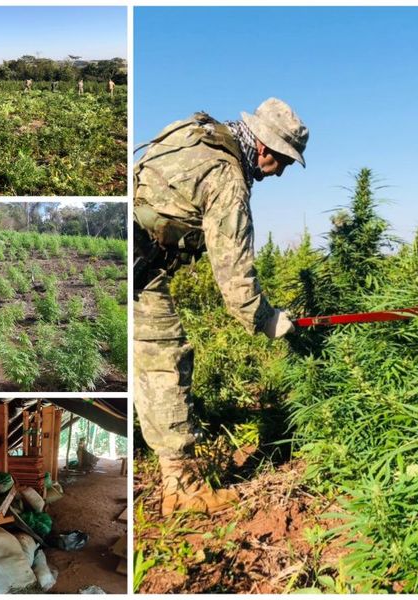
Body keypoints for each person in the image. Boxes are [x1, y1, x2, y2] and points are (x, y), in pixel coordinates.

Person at [133, 97, 309, 516]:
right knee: (163, 363)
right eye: (283, 161)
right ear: (265, 149)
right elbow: (235, 279)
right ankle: (182, 488)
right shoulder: (228, 178)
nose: (281, 171)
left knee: (135, 360)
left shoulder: (195, 131)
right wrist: (268, 320)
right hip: (138, 268)